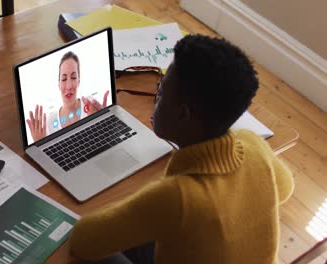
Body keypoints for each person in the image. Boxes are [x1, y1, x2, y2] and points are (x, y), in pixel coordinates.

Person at [69, 34, 294, 264]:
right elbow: (285, 187)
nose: (157, 99)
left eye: (162, 92)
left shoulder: (177, 198)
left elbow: (83, 240)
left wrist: (139, 205)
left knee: (80, 255)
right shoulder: (253, 143)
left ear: (182, 114)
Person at [26, 51, 109, 142]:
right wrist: (39, 144)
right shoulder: (50, 121)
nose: (69, 86)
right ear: (59, 84)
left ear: (78, 81)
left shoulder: (91, 106)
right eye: (64, 79)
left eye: (73, 78)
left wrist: (105, 125)